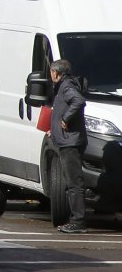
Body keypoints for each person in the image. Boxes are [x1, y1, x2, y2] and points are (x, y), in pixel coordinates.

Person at [48, 58, 88, 233]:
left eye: (51, 73)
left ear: (56, 73)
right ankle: (76, 219)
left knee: (74, 183)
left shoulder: (66, 86)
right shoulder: (64, 86)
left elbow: (78, 101)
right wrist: (54, 128)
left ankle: (78, 221)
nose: (50, 76)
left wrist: (65, 119)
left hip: (70, 142)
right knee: (72, 182)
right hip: (67, 139)